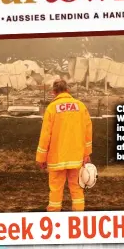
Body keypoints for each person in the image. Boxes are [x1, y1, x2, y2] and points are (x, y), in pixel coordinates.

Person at [36, 78, 93, 212]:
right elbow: (88, 131)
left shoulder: (51, 108)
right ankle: (78, 220)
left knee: (55, 191)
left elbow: (45, 135)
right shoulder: (80, 106)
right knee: (77, 190)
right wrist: (87, 153)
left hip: (56, 159)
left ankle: (55, 221)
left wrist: (41, 158)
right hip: (76, 157)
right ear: (68, 90)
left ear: (53, 92)